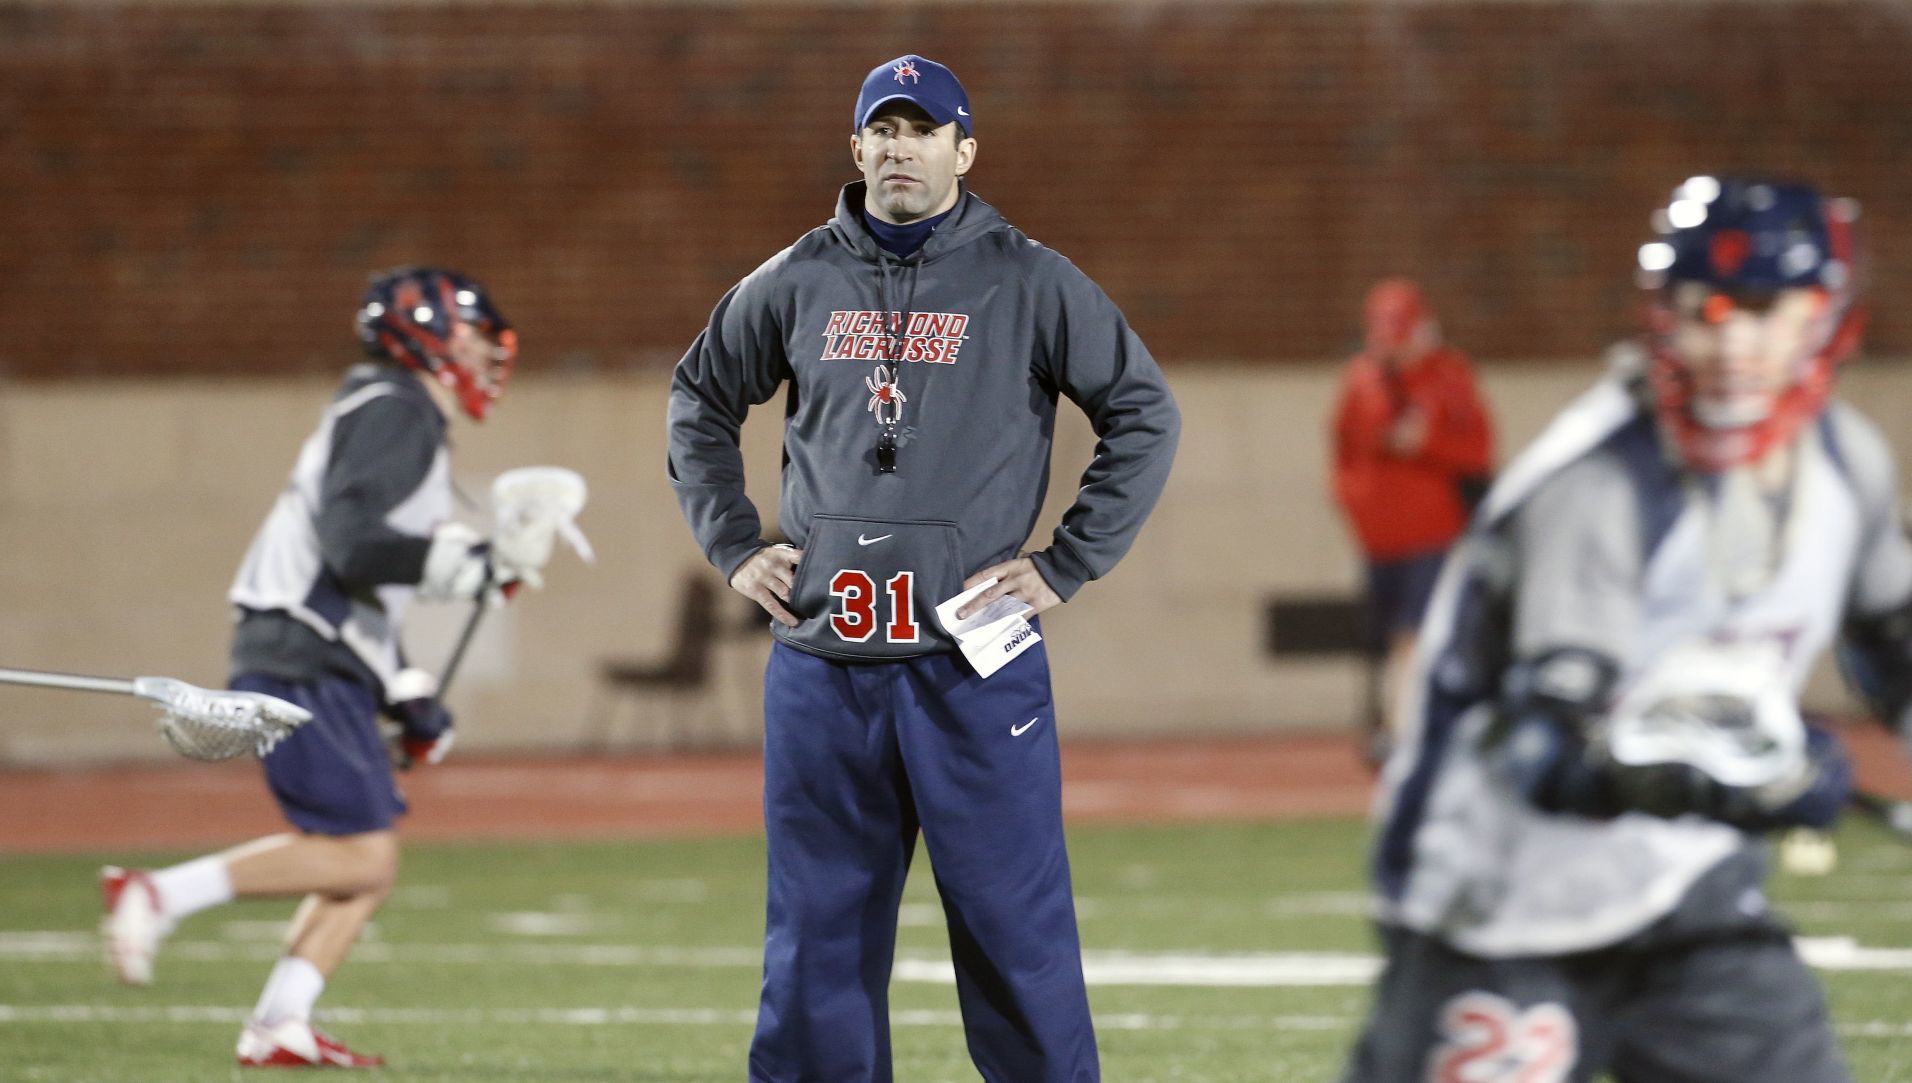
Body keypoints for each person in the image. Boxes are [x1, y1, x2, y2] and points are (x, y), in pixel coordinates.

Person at [666, 54, 1179, 1082]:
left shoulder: (1029, 277)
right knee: (816, 934)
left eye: (922, 129)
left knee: (1012, 932)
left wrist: (1068, 561)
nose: (901, 147)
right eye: (883, 130)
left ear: (963, 149)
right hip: (822, 663)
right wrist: (733, 542)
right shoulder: (797, 275)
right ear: (857, 149)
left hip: (971, 665)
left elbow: (1142, 412)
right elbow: (698, 401)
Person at [1340, 177, 1901, 1082]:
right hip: (1499, 907)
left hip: (1688, 898)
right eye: (1706, 311)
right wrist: (1744, 782)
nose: (1732, 343)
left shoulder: (1847, 464)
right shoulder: (1597, 485)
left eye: (1763, 310)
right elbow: (1546, 750)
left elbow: (1893, 632)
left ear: (1823, 318)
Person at [99, 267, 551, 1068]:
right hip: (302, 648)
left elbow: (364, 585)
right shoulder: (396, 408)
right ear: (430, 331)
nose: (487, 355)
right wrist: (472, 560)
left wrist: (407, 692)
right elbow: (353, 549)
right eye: (477, 336)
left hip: (323, 650)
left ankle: (281, 1021)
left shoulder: (392, 412)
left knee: (365, 853)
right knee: (362, 852)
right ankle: (158, 893)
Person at [1329, 278, 1494, 765]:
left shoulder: (1449, 377)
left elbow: (1478, 452)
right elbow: (1343, 456)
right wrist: (1357, 508)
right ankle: (1394, 725)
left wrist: (1426, 443)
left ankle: (1408, 735)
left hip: (1434, 534)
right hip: (1380, 540)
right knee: (1383, 642)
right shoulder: (1361, 381)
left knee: (1414, 635)